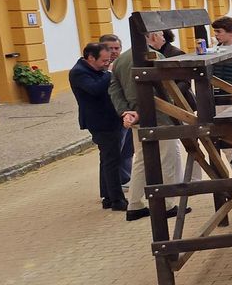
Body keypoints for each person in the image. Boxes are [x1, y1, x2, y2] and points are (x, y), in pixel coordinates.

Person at [108, 30, 192, 221]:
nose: (163, 38)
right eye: (161, 35)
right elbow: (167, 87)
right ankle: (169, 204)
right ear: (151, 36)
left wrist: (127, 111)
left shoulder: (121, 60)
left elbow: (114, 88)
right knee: (167, 159)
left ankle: (135, 204)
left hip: (137, 118)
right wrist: (173, 107)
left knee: (141, 161)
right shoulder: (155, 56)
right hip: (160, 117)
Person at [70, 42, 128, 211]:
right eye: (103, 60)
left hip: (111, 119)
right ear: (90, 58)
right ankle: (117, 200)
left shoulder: (96, 70)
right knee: (112, 161)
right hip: (100, 122)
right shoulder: (79, 72)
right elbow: (94, 89)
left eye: (108, 60)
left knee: (108, 159)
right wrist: (110, 73)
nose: (106, 63)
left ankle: (108, 196)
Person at [97, 34, 134, 191]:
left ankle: (125, 179)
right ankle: (109, 188)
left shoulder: (123, 63)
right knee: (112, 153)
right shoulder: (98, 67)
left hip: (127, 113)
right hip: (109, 117)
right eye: (109, 48)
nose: (113, 52)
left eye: (116, 48)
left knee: (127, 149)